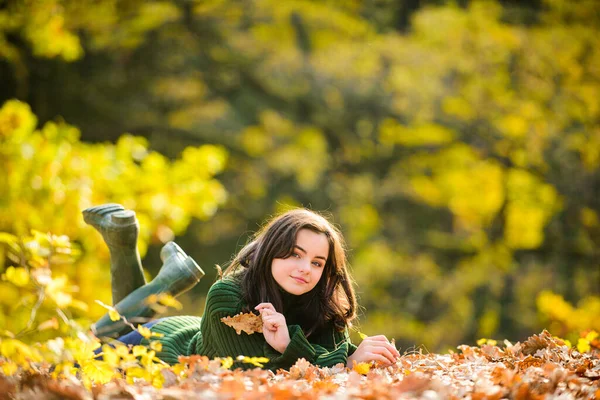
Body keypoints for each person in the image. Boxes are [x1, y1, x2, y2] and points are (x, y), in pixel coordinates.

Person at [85, 204, 400, 371]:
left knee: (116, 323)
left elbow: (331, 355)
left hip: (199, 330)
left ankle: (133, 250)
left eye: (318, 263)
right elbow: (254, 371)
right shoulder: (227, 295)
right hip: (153, 348)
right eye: (295, 254)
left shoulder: (323, 304)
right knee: (84, 353)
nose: (306, 268)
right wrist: (344, 362)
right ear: (272, 250)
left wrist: (357, 356)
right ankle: (131, 252)